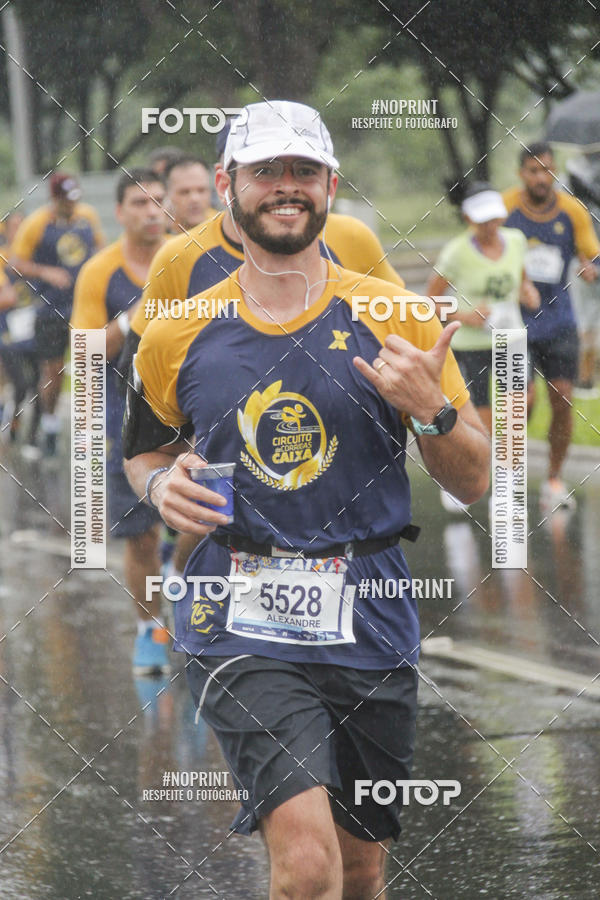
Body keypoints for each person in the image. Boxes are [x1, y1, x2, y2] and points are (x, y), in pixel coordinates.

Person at [123, 100, 490, 897]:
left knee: (360, 867)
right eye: (266, 172)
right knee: (308, 865)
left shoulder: (391, 313)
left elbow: (475, 480)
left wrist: (434, 409)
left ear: (331, 184)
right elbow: (143, 449)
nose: (286, 188)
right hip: (238, 609)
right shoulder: (177, 331)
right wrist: (160, 482)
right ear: (227, 184)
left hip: (373, 608)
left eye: (304, 172)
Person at [71, 169, 170, 675]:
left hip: (193, 409)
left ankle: (215, 629)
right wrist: (133, 319)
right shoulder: (100, 271)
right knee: (142, 536)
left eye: (158, 201)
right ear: (121, 212)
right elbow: (84, 351)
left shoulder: (188, 256)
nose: (151, 210)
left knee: (214, 525)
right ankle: (149, 632)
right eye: (139, 202)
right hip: (128, 413)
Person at [428, 182, 539, 512]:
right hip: (471, 344)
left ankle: (504, 486)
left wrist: (528, 293)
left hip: (511, 338)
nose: (490, 226)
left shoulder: (517, 242)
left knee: (518, 408)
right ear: (468, 218)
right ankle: (463, 481)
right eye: (483, 220)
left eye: (495, 218)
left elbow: (521, 280)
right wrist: (466, 315)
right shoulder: (456, 252)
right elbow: (429, 302)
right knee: (483, 421)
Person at [503, 142, 600, 510]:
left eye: (547, 170)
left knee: (562, 401)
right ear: (521, 173)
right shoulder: (507, 206)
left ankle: (554, 480)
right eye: (533, 170)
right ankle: (508, 478)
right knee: (520, 402)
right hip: (514, 321)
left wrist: (592, 269)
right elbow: (481, 246)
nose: (541, 178)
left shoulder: (571, 211)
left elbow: (592, 253)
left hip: (559, 321)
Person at [9, 174, 104, 455]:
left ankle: (91, 433)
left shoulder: (88, 215)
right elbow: (16, 263)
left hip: (85, 305)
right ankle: (49, 426)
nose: (72, 205)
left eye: (75, 198)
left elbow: (100, 248)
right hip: (50, 306)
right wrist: (45, 271)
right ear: (54, 198)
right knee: (53, 370)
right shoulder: (36, 223)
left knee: (92, 364)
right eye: (66, 200)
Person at [163, 155, 216, 233]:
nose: (194, 199)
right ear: (167, 194)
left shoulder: (228, 227)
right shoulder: (154, 238)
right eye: (184, 192)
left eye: (201, 190)